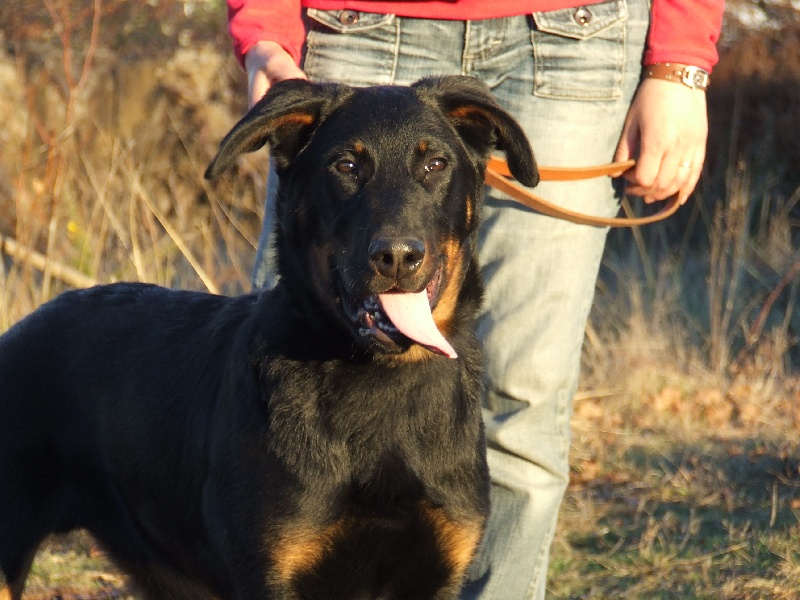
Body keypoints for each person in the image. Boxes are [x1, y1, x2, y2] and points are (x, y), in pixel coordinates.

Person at [224, 1, 724, 597]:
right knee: (278, 379)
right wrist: (264, 31)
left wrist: (680, 64)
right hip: (355, 27)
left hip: (576, 40)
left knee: (524, 404)